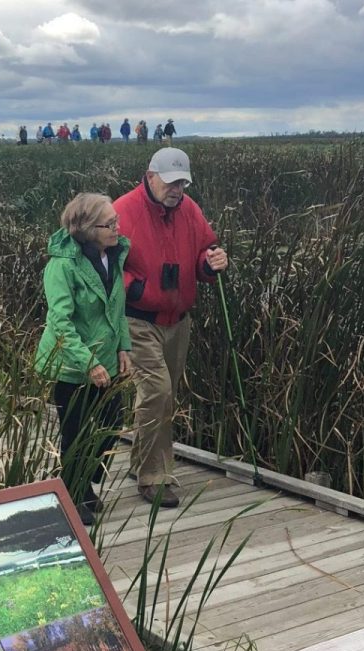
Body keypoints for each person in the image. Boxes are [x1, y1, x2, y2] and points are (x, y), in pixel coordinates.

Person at [113, 148, 228, 507]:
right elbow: (104, 263)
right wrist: (136, 288)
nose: (177, 189)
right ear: (150, 176)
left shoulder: (189, 210)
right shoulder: (122, 210)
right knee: (158, 393)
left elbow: (204, 251)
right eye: (171, 181)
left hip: (178, 321)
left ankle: (143, 462)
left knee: (166, 396)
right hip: (138, 319)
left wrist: (212, 263)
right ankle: (152, 477)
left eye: (183, 182)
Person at [34, 193, 132, 526]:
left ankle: (85, 482)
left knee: (110, 427)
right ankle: (73, 495)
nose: (117, 227)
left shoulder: (113, 256)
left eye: (117, 220)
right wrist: (88, 362)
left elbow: (116, 308)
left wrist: (124, 347)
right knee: (74, 433)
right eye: (110, 224)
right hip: (71, 365)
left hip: (106, 356)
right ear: (88, 228)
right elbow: (60, 322)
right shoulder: (62, 266)